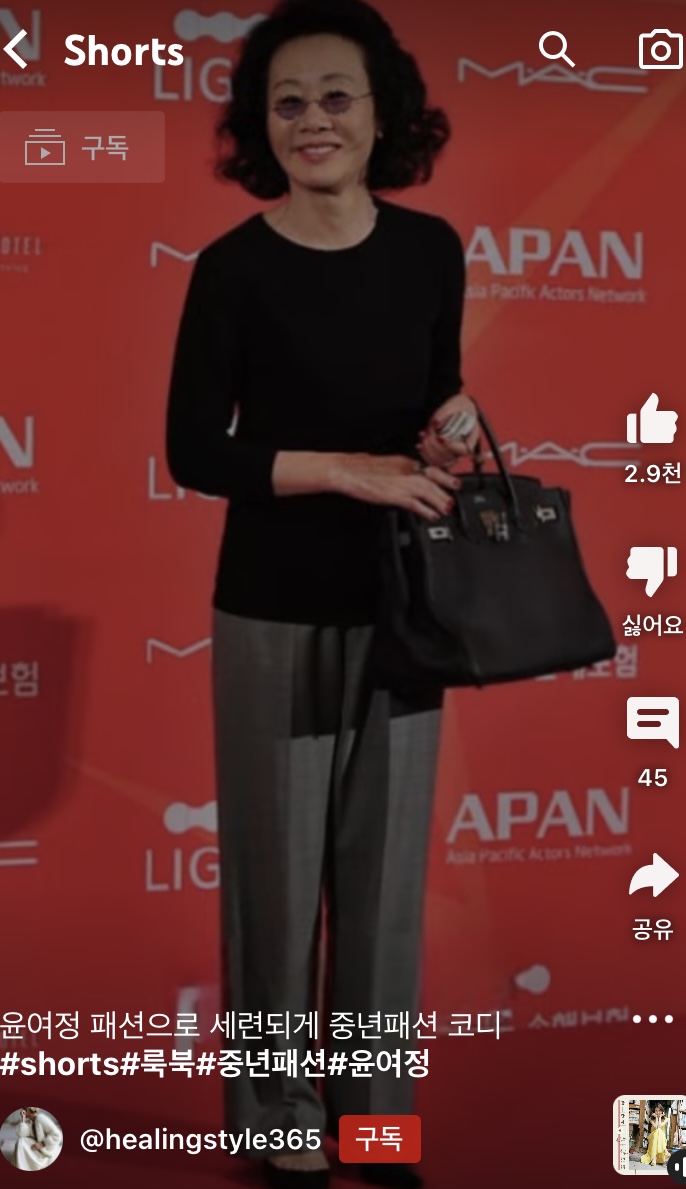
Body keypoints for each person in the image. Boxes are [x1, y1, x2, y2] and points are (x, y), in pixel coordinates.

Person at [165, 1, 477, 1186]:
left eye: (335, 96)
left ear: (381, 112)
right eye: (286, 101)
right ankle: (278, 1121)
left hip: (404, 606)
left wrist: (448, 437)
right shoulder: (231, 270)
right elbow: (195, 452)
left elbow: (434, 406)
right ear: (261, 124)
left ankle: (375, 1122)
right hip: (271, 608)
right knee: (274, 887)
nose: (312, 120)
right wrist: (344, 470)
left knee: (385, 890)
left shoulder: (430, 248)